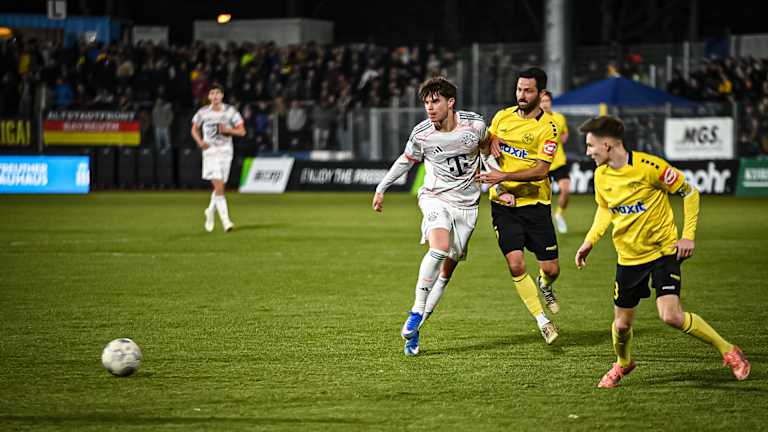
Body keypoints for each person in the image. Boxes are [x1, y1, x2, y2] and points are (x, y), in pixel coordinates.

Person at [574, 115, 750, 388]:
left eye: (590, 145)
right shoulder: (601, 175)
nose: (587, 152)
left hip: (663, 253)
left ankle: (728, 350)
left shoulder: (649, 167)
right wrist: (590, 240)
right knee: (621, 326)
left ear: (607, 144)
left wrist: (687, 237)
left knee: (671, 315)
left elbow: (690, 193)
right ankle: (623, 363)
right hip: (628, 258)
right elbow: (605, 208)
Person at [372, 76, 497, 356]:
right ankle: (416, 310)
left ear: (450, 102)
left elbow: (489, 148)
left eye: (435, 101)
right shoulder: (422, 134)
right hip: (434, 197)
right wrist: (382, 187)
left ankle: (415, 332)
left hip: (467, 206)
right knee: (438, 247)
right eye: (426, 103)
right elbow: (406, 160)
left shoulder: (474, 125)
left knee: (445, 275)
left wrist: (498, 184)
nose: (429, 108)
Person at [477, 67, 562, 344]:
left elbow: (540, 170)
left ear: (541, 93)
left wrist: (504, 175)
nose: (521, 95)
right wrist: (491, 140)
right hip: (503, 203)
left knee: (551, 269)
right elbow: (484, 146)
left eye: (528, 90)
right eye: (519, 89)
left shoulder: (548, 127)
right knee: (515, 264)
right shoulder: (502, 117)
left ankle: (545, 284)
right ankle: (543, 320)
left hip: (535, 203)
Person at [191, 85, 246, 233]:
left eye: (217, 93)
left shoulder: (230, 111)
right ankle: (226, 222)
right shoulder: (203, 112)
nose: (215, 96)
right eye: (212, 93)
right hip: (210, 152)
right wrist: (200, 141)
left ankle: (210, 210)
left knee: (220, 186)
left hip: (226, 151)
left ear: (222, 95)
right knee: (219, 185)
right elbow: (194, 128)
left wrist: (229, 130)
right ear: (208, 97)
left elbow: (242, 131)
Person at [539, 90, 571, 234]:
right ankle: (545, 223)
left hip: (559, 161)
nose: (544, 104)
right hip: (542, 163)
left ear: (551, 102)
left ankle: (559, 214)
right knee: (544, 198)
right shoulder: (536, 120)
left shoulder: (559, 118)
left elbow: (564, 133)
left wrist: (563, 137)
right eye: (542, 101)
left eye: (547, 101)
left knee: (566, 190)